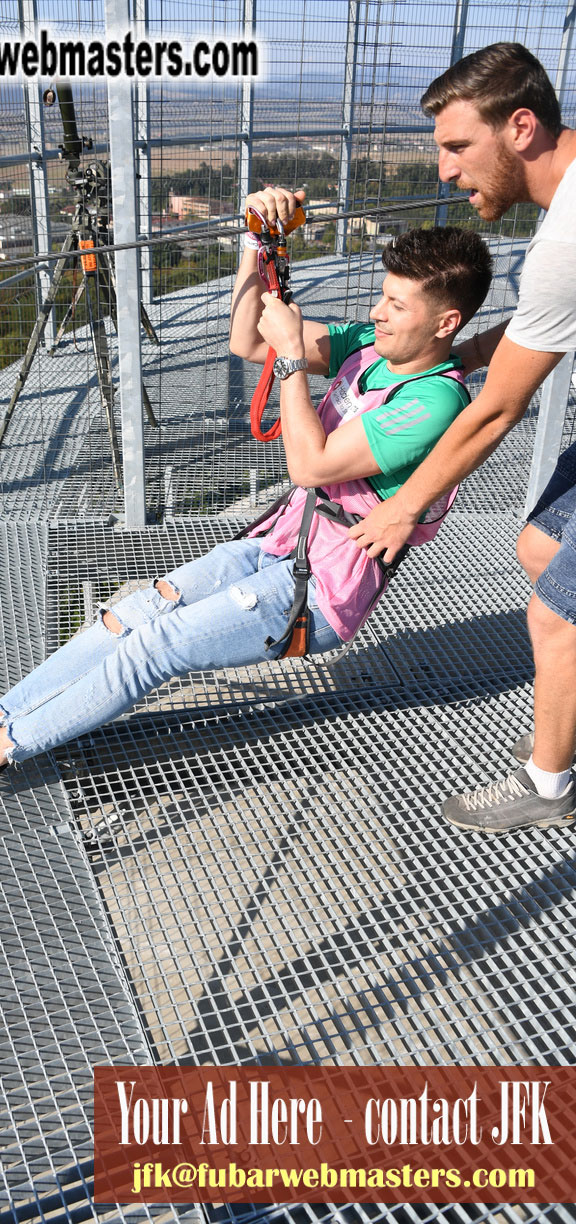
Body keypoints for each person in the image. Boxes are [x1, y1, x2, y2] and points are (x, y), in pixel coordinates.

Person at [0, 214, 492, 793]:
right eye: (382, 296)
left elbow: (310, 466)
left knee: (154, 648)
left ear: (446, 322)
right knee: (133, 615)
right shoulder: (370, 348)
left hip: (320, 587)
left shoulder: (433, 402)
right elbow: (248, 340)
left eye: (396, 305)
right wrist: (256, 245)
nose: (376, 312)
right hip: (280, 544)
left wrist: (292, 356)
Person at [345, 43, 576, 833]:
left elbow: (494, 412)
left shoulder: (565, 240)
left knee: (557, 616)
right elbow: (545, 323)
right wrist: (470, 353)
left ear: (521, 127)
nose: (444, 171)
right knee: (542, 549)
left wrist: (405, 506)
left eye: (456, 146)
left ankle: (550, 786)